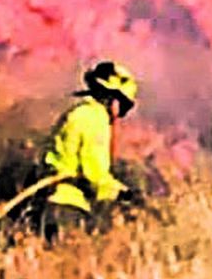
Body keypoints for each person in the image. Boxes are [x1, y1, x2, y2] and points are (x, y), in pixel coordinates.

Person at [40, 61, 139, 242]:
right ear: (112, 99)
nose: (119, 114)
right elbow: (94, 172)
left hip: (51, 203)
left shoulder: (77, 113)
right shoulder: (95, 119)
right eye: (123, 106)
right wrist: (123, 193)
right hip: (69, 206)